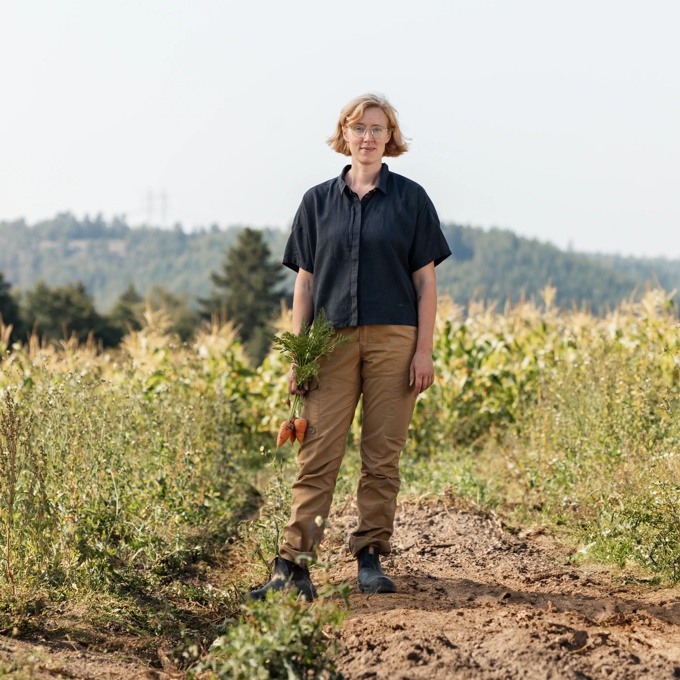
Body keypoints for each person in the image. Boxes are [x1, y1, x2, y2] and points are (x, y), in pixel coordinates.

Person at [250, 93, 451, 601]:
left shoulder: (411, 200)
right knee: (317, 453)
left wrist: (423, 351)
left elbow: (426, 284)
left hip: (395, 341)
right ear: (345, 135)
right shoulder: (316, 202)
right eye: (359, 128)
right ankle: (292, 567)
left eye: (378, 129)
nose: (368, 137)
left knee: (382, 456)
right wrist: (300, 356)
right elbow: (304, 283)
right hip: (329, 343)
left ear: (390, 138)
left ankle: (370, 557)